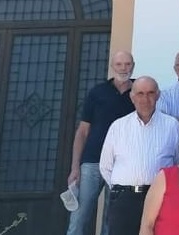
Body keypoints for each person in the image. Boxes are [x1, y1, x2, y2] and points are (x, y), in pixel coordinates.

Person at [99, 77, 179, 235]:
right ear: (132, 96)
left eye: (150, 93)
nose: (145, 99)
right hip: (125, 202)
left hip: (160, 200)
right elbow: (105, 166)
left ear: (158, 95)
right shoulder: (118, 126)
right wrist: (123, 190)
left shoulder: (171, 125)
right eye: (140, 94)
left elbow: (178, 163)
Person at [66, 50, 135, 235]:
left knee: (112, 220)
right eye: (119, 64)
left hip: (122, 164)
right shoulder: (97, 92)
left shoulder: (138, 92)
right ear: (112, 67)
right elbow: (83, 131)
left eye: (127, 64)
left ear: (133, 66)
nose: (123, 68)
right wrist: (75, 167)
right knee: (79, 216)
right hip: (93, 161)